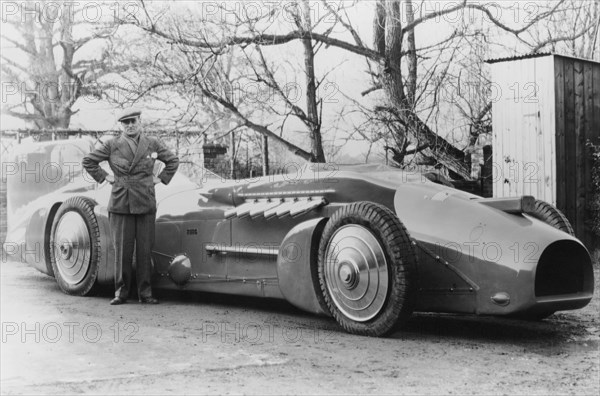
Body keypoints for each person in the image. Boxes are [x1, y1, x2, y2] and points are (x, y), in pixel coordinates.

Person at [82, 108, 179, 305]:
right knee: (122, 250)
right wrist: (106, 177)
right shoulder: (112, 144)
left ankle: (145, 293)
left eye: (133, 121)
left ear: (139, 121)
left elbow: (173, 161)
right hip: (121, 202)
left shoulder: (152, 143)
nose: (130, 125)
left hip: (145, 200)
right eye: (125, 122)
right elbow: (88, 161)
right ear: (121, 126)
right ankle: (121, 292)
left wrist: (160, 179)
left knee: (145, 249)